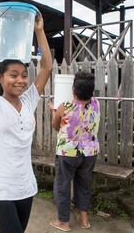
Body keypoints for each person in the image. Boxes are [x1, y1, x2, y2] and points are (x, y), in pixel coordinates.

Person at [0, 13, 52, 233]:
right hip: (1, 191)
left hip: (25, 187)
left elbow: (46, 67)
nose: (21, 80)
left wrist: (39, 31)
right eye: (13, 75)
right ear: (0, 78)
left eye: (24, 75)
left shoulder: (29, 101)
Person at [49, 71, 100, 231]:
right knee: (84, 184)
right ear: (92, 92)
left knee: (63, 185)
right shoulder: (96, 104)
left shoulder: (65, 106)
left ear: (73, 90)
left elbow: (56, 126)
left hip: (68, 153)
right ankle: (84, 219)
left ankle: (63, 222)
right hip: (90, 153)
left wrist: (54, 110)